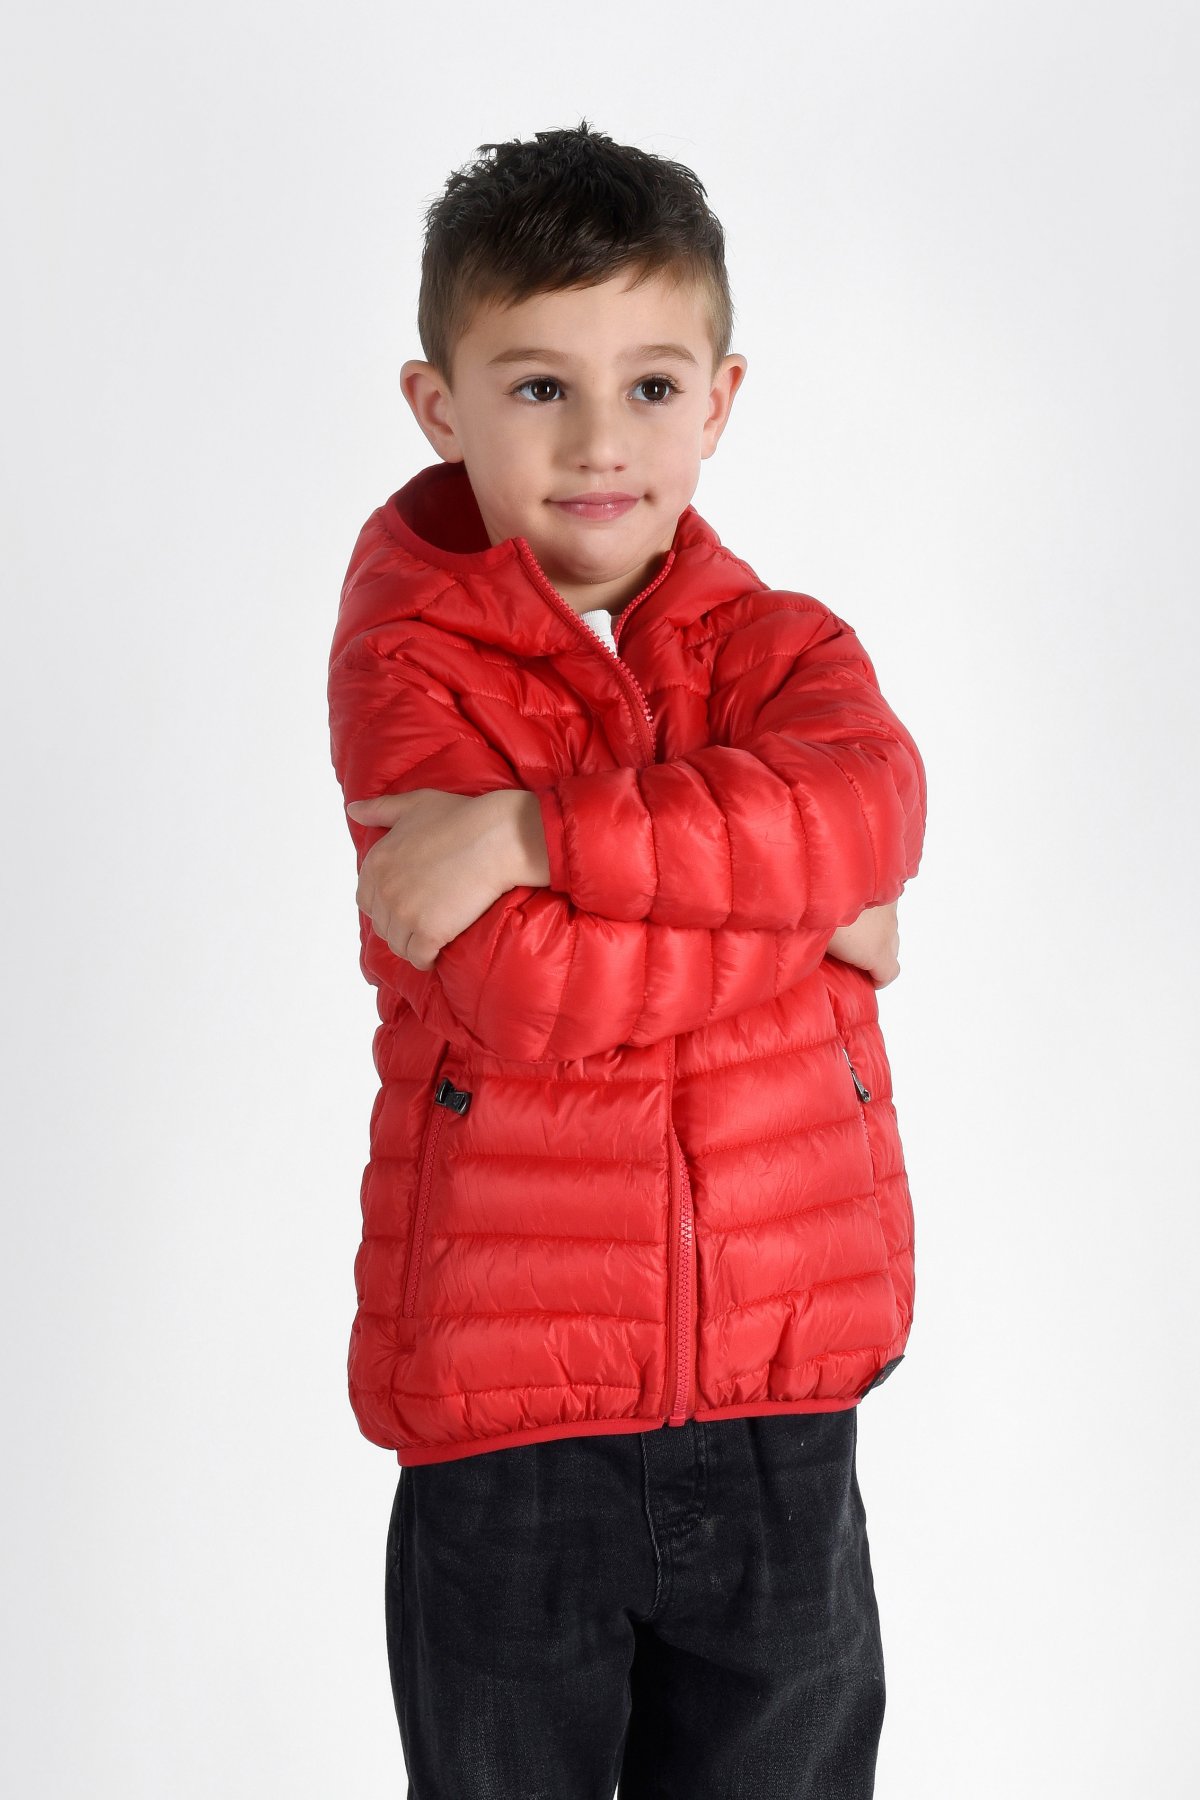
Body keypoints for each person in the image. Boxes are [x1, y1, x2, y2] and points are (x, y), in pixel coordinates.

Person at [327, 119, 927, 1800]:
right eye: (539, 386)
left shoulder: (788, 649)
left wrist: (532, 832)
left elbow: (872, 809)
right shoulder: (407, 669)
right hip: (508, 1424)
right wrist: (812, 913)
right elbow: (526, 989)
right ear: (440, 406)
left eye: (651, 387)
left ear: (719, 401)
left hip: (783, 1397)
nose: (601, 441)